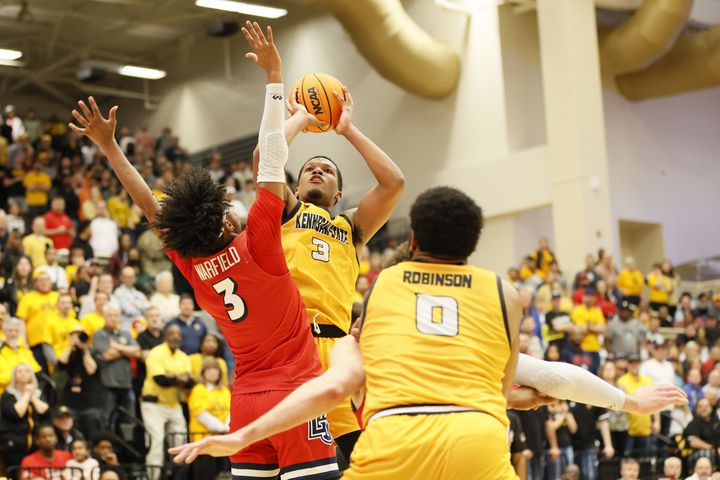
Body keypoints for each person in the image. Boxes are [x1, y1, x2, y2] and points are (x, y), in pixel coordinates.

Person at [169, 188, 687, 475]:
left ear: (411, 240)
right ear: (473, 246)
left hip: (395, 438)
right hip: (478, 436)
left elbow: (333, 387)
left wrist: (242, 434)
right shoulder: (503, 293)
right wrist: (628, 402)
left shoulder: (382, 296)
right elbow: (546, 375)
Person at [70, 20, 338, 479]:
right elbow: (272, 155)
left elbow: (152, 208)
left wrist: (111, 149)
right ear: (224, 220)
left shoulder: (193, 263)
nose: (232, 205)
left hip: (246, 404)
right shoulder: (259, 245)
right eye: (227, 205)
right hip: (295, 392)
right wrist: (275, 79)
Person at [252, 39, 404, 460]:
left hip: (335, 350)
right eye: (309, 169)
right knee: (290, 457)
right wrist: (300, 118)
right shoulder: (284, 210)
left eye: (328, 170)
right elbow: (265, 156)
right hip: (290, 344)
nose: (318, 168)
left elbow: (393, 183)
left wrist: (347, 129)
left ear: (338, 193)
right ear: (297, 187)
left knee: (357, 459)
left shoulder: (351, 226)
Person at [140, 324, 193, 472]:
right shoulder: (156, 353)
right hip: (153, 403)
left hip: (173, 404)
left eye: (178, 334)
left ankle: (179, 476)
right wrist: (179, 379)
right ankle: (154, 477)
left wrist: (172, 376)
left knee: (180, 440)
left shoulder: (183, 356)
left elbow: (190, 382)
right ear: (165, 336)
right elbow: (160, 380)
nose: (175, 336)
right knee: (156, 441)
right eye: (171, 333)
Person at [91, 303, 140, 430]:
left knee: (129, 420)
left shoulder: (125, 334)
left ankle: (126, 447)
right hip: (108, 384)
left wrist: (118, 347)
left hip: (126, 383)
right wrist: (126, 351)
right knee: (107, 419)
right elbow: (107, 356)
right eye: (110, 315)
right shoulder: (99, 334)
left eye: (115, 315)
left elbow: (137, 351)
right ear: (104, 317)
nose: (113, 318)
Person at [0, 363, 50, 477]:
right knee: (18, 475)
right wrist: (26, 394)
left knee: (37, 476)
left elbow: (46, 412)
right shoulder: (8, 394)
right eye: (20, 371)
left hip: (36, 445)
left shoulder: (38, 393)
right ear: (14, 376)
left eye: (27, 371)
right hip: (14, 445)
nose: (23, 374)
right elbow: (17, 413)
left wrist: (33, 396)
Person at [56, 325, 106, 439]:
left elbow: (91, 370)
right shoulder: (70, 354)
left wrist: (85, 349)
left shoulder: (94, 353)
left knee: (92, 420)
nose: (78, 339)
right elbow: (61, 364)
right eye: (75, 336)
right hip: (71, 402)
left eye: (81, 335)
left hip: (90, 402)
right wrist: (70, 346)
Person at [188, 358, 231, 480]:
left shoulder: (225, 390)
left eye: (216, 369)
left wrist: (227, 427)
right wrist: (222, 428)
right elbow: (201, 414)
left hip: (223, 441)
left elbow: (231, 411)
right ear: (203, 372)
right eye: (209, 369)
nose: (213, 372)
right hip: (203, 441)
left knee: (224, 475)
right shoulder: (198, 389)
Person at [16, 270, 59, 372]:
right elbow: (22, 320)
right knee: (40, 372)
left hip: (56, 342)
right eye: (41, 280)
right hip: (36, 343)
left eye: (47, 279)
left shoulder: (58, 296)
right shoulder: (28, 298)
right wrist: (23, 339)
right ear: (35, 283)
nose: (44, 282)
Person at [618, 354, 659, 458]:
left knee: (645, 460)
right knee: (627, 459)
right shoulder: (621, 381)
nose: (634, 365)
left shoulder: (647, 381)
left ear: (640, 364)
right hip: (628, 429)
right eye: (631, 363)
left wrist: (657, 421)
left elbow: (655, 401)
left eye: (636, 363)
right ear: (628, 365)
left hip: (646, 427)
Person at [571, 286, 606, 373]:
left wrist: (588, 327)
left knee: (596, 373)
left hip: (595, 348)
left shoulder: (597, 311)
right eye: (588, 296)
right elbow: (579, 329)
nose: (590, 299)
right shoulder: (578, 310)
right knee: (586, 373)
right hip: (583, 348)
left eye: (592, 296)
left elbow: (602, 328)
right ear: (583, 297)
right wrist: (594, 327)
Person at [113, 266, 150, 333]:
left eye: (131, 277)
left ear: (135, 278)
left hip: (142, 326)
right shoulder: (118, 293)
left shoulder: (139, 294)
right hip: (126, 327)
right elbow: (129, 311)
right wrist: (140, 306)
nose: (129, 279)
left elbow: (148, 307)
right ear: (121, 278)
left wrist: (135, 304)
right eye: (126, 277)